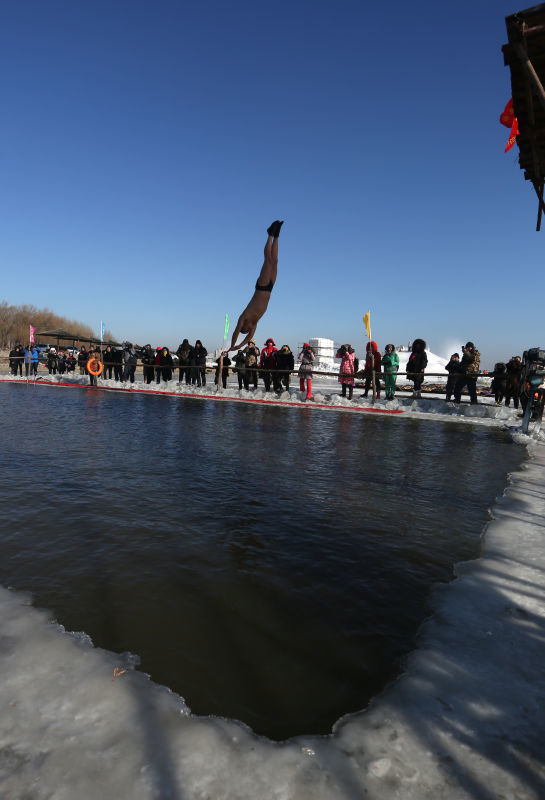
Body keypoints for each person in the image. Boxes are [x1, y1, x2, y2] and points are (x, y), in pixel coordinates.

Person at [229, 220, 283, 351]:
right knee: (275, 262)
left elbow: (236, 331)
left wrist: (233, 345)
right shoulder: (254, 324)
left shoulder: (244, 317)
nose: (249, 331)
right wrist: (241, 346)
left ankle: (269, 234)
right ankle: (276, 235)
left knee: (268, 260)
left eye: (246, 330)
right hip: (269, 288)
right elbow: (249, 338)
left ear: (244, 327)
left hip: (261, 287)